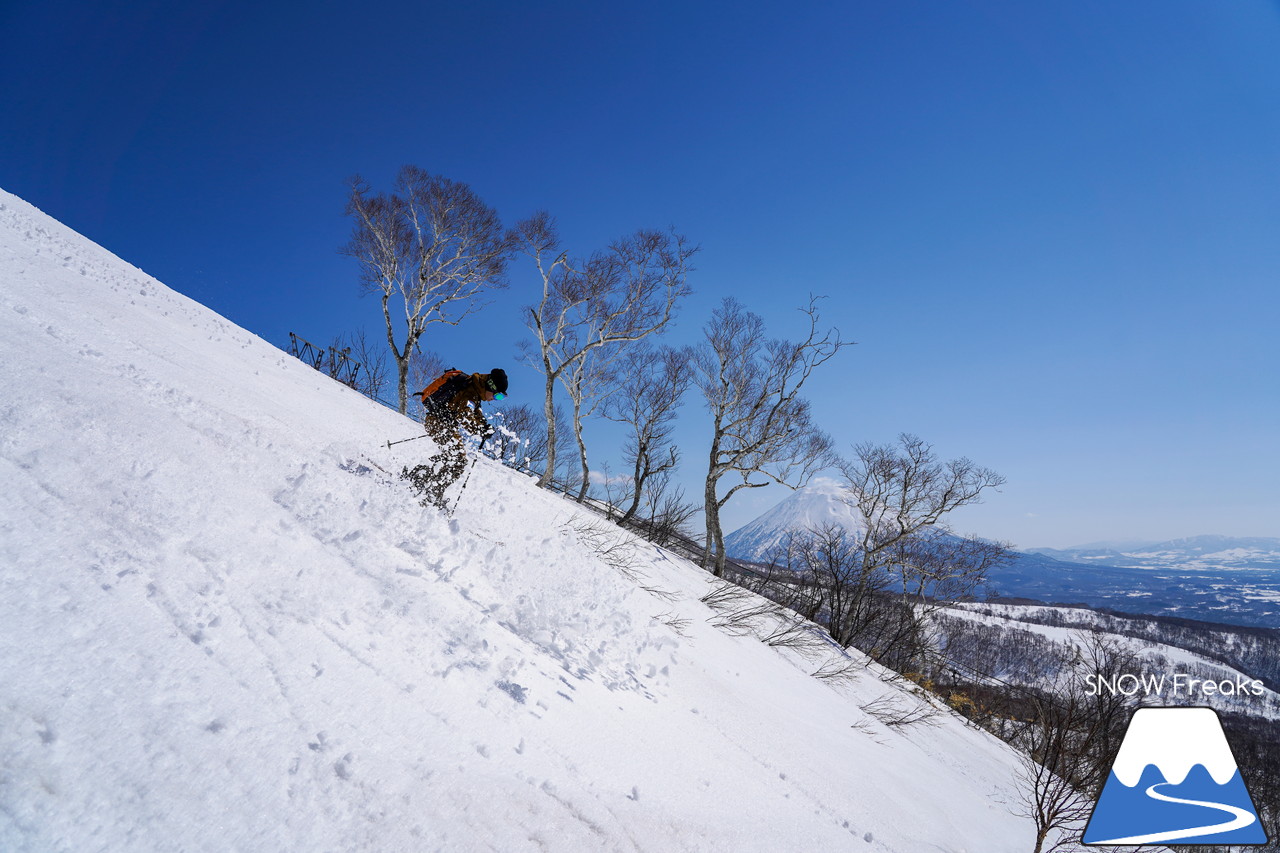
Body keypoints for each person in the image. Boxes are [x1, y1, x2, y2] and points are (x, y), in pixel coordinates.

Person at [415, 368, 508, 509]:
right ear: (491, 386)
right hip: (439, 423)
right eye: (497, 396)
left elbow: (473, 412)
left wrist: (483, 425)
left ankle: (421, 478)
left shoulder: (474, 389)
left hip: (442, 424)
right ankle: (431, 491)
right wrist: (480, 429)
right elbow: (464, 416)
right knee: (458, 460)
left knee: (452, 458)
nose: (494, 399)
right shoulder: (471, 391)